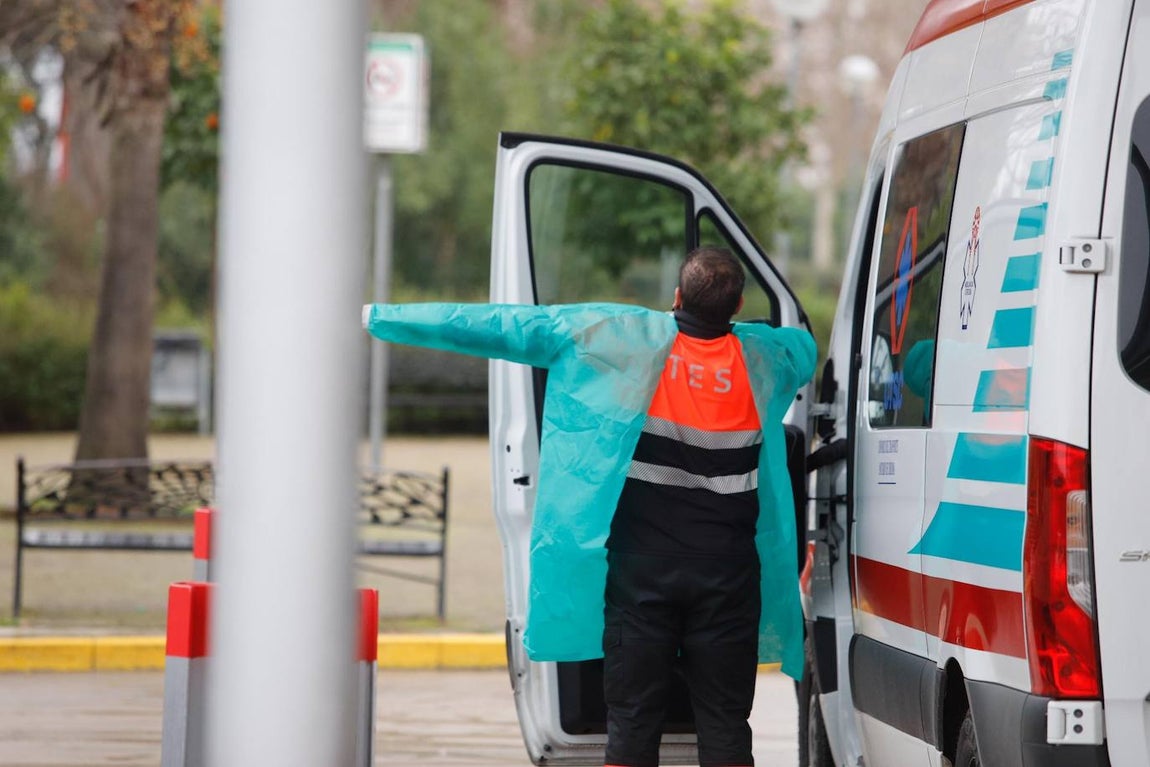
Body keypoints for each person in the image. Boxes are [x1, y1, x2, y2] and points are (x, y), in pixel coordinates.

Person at [363, 246, 816, 767]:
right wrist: (747, 331)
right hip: (727, 577)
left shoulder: (619, 341)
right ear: (736, 306)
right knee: (725, 723)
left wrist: (381, 318)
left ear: (675, 297)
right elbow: (802, 345)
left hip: (641, 575)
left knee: (631, 722)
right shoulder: (764, 359)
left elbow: (497, 325)